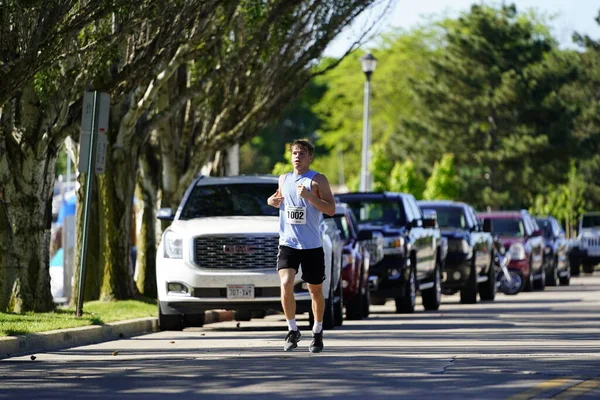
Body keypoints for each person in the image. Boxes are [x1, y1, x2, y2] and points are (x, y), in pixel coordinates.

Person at [267, 139, 336, 353]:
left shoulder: (318, 181)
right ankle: (292, 329)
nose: (297, 156)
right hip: (288, 242)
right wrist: (272, 201)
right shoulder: (284, 179)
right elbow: (279, 200)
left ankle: (317, 331)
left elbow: (331, 209)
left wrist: (309, 197)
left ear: (310, 157)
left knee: (315, 290)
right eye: (295, 153)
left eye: (302, 153)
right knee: (286, 282)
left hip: (312, 245)